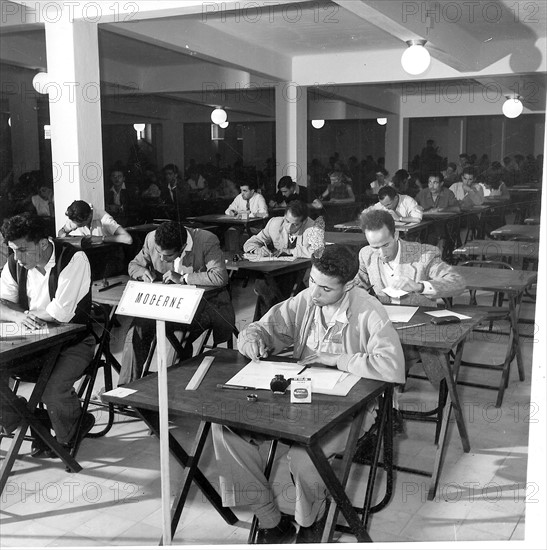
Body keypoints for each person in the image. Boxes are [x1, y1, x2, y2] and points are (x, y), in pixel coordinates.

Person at [212, 244, 405, 544]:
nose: (315, 293)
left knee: (304, 454)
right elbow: (263, 328)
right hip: (300, 399)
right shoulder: (307, 299)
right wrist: (252, 339)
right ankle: (270, 520)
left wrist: (338, 359)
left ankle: (311, 520)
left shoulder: (369, 311)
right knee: (225, 430)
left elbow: (392, 367)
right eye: (312, 281)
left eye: (326, 289)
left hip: (352, 408)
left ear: (350, 284)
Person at [0, 215, 96, 456]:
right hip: (33, 340)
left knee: (52, 390)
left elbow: (60, 313)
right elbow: (2, 302)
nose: (17, 258)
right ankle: (34, 420)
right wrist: (18, 317)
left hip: (73, 341)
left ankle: (72, 428)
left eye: (23, 250)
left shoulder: (73, 259)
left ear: (43, 244)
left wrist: (21, 313)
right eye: (12, 250)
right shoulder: (16, 262)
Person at [118, 221, 235, 385]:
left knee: (178, 337)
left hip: (206, 303)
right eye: (159, 253)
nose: (160, 258)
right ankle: (126, 388)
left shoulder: (206, 240)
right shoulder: (152, 239)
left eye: (167, 256)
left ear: (183, 247)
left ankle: (173, 391)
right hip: (167, 305)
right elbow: (134, 265)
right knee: (138, 328)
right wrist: (142, 272)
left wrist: (183, 279)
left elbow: (219, 277)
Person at [357, 210, 465, 307]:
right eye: (375, 247)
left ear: (396, 235)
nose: (382, 253)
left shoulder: (424, 255)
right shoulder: (366, 254)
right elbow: (357, 287)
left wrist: (419, 287)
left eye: (386, 245)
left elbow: (457, 283)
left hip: (420, 321)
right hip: (384, 322)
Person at [244, 201, 325, 317]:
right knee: (264, 284)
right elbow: (250, 243)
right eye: (287, 221)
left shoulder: (314, 228)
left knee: (267, 288)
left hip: (301, 275)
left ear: (304, 221)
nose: (289, 227)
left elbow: (318, 252)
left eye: (295, 224)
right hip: (278, 271)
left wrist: (290, 251)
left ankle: (264, 326)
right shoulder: (274, 224)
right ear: (284, 216)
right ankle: (266, 326)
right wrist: (257, 249)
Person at [57, 200, 133, 245]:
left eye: (81, 225)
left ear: (89, 216)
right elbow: (61, 232)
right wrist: (64, 235)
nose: (76, 226)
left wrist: (100, 239)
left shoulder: (104, 218)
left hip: (109, 255)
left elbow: (128, 239)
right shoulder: (76, 214)